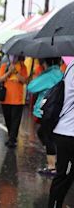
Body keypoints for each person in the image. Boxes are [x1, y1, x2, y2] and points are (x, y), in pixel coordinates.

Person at [27, 58, 63, 176]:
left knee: (47, 136)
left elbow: (31, 87)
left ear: (45, 62)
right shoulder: (61, 73)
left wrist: (37, 77)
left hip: (47, 109)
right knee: (46, 134)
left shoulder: (50, 75)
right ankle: (54, 159)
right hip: (58, 109)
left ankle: (52, 166)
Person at [48, 59, 74, 208]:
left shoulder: (71, 65)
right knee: (63, 176)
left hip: (66, 130)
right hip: (69, 133)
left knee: (65, 176)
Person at [0, 55, 28, 148]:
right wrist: (9, 72)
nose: (13, 57)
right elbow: (1, 79)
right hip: (6, 99)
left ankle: (12, 139)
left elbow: (24, 80)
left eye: (15, 56)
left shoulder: (23, 67)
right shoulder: (4, 66)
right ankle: (11, 137)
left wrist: (16, 72)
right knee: (8, 120)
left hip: (18, 100)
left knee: (15, 121)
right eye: (11, 55)